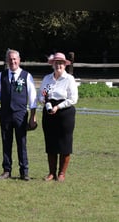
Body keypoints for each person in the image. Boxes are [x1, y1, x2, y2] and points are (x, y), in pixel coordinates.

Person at [0, 49, 37, 181]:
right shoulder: (1, 75)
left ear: (19, 60)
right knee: (6, 142)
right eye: (10, 59)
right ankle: (6, 170)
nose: (13, 61)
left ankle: (24, 171)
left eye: (15, 59)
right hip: (5, 114)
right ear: (7, 61)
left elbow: (32, 98)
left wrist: (33, 116)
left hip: (20, 114)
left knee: (21, 142)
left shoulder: (27, 76)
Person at [38, 52, 78, 182]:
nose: (58, 65)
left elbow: (73, 99)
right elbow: (41, 95)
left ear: (65, 65)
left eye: (61, 63)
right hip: (49, 112)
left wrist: (58, 107)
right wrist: (45, 102)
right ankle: (51, 172)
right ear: (53, 64)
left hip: (64, 113)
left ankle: (62, 173)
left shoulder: (69, 79)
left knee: (64, 143)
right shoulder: (47, 78)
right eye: (56, 63)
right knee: (51, 143)